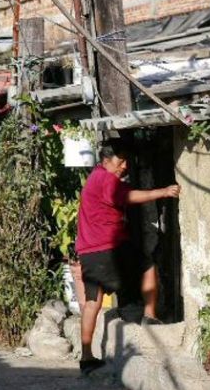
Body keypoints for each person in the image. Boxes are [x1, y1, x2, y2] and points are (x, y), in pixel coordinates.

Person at [75, 140, 181, 375]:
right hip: (109, 247)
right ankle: (150, 316)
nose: (123, 166)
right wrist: (162, 192)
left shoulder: (94, 178)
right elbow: (128, 196)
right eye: (119, 161)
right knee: (147, 266)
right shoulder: (106, 179)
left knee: (93, 302)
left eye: (125, 161)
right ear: (105, 161)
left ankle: (86, 356)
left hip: (89, 252)